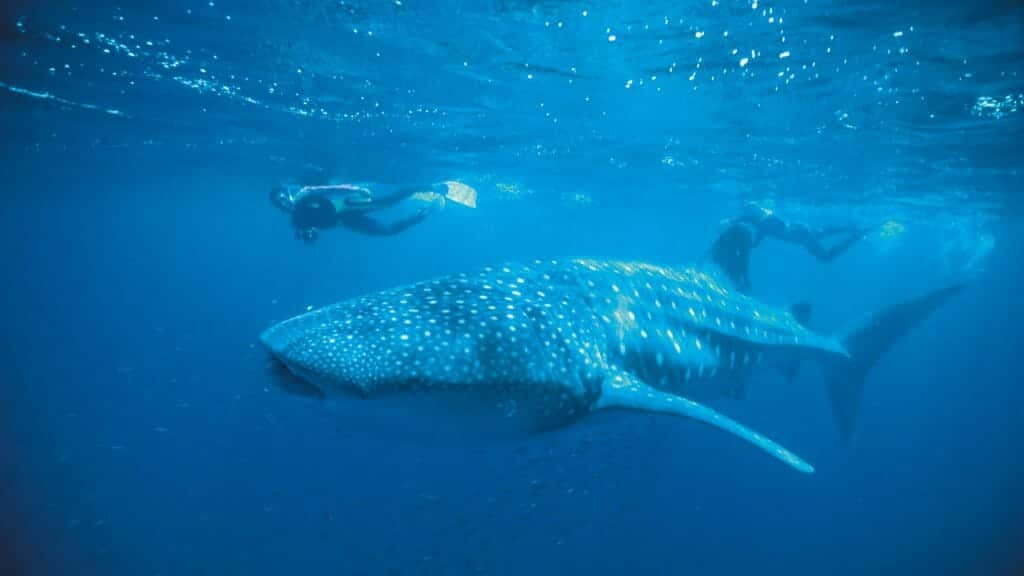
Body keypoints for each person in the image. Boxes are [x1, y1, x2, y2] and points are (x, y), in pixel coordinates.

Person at [706, 202, 867, 292]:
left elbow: (752, 225)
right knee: (822, 233)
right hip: (801, 232)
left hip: (802, 236)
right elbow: (754, 240)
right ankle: (851, 229)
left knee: (825, 257)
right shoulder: (764, 224)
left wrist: (733, 224)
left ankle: (854, 236)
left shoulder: (764, 223)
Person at [271, 180, 477, 243]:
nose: (283, 203)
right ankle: (425, 213)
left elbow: (328, 189)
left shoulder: (304, 194)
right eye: (279, 203)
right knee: (387, 231)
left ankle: (430, 186)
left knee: (390, 202)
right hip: (346, 221)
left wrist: (353, 189)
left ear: (288, 193)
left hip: (346, 205)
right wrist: (310, 234)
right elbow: (312, 235)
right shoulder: (296, 222)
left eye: (282, 198)